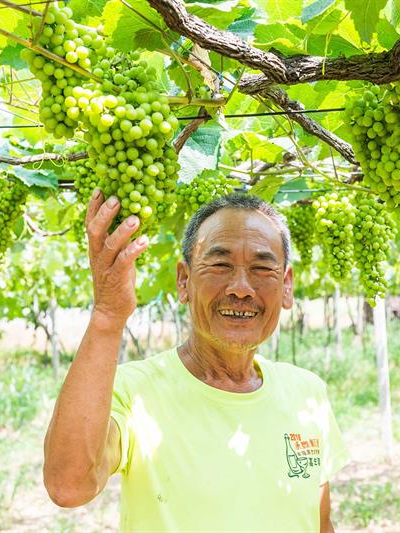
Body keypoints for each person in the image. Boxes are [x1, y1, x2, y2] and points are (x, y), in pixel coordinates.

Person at [43, 190, 350, 532]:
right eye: (220, 265)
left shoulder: (308, 393)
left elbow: (319, 523)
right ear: (184, 281)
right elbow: (68, 486)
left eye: (262, 268)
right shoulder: (134, 391)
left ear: (287, 285)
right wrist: (107, 317)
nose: (241, 288)